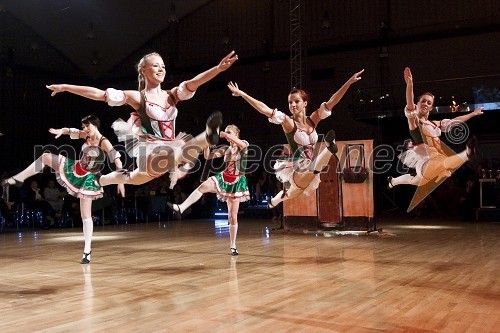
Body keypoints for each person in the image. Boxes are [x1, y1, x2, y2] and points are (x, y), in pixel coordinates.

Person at [46, 51, 238, 188]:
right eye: (156, 65)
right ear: (143, 71)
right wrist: (64, 86)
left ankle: (103, 180)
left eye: (163, 66)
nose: (161, 69)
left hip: (167, 150)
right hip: (151, 151)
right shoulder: (138, 98)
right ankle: (205, 137)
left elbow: (195, 82)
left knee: (132, 178)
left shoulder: (172, 95)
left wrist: (218, 69)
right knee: (173, 155)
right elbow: (98, 94)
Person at [226, 70, 364, 208]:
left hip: (312, 165)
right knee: (298, 188)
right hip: (299, 167)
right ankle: (329, 148)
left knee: (294, 192)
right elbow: (264, 109)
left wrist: (349, 83)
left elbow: (332, 101)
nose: (292, 105)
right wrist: (243, 94)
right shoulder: (288, 122)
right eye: (290, 102)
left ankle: (274, 201)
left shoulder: (313, 119)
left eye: (296, 101)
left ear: (305, 103)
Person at [1, 115, 125, 264]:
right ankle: (19, 178)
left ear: (95, 125)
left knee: (85, 215)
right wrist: (61, 130)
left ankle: (87, 251)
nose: (85, 129)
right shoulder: (86, 135)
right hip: (75, 168)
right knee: (46, 156)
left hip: (89, 178)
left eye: (87, 126)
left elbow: (117, 160)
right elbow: (71, 131)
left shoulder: (104, 141)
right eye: (84, 126)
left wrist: (121, 182)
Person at [387, 67, 483, 210]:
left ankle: (392, 181)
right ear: (417, 104)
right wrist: (410, 84)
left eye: (429, 102)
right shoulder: (414, 121)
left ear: (431, 108)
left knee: (417, 181)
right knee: (440, 164)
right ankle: (466, 154)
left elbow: (455, 120)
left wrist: (473, 114)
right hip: (424, 159)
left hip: (431, 160)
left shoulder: (434, 124)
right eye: (423, 101)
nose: (425, 103)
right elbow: (409, 102)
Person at [168, 125, 250, 255]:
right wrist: (207, 142)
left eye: (230, 132)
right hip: (224, 177)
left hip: (237, 181)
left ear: (236, 133)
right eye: (227, 131)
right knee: (203, 187)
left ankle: (233, 245)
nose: (227, 134)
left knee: (232, 217)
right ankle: (181, 207)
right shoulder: (226, 149)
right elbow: (208, 156)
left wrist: (224, 134)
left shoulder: (243, 144)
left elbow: (242, 145)